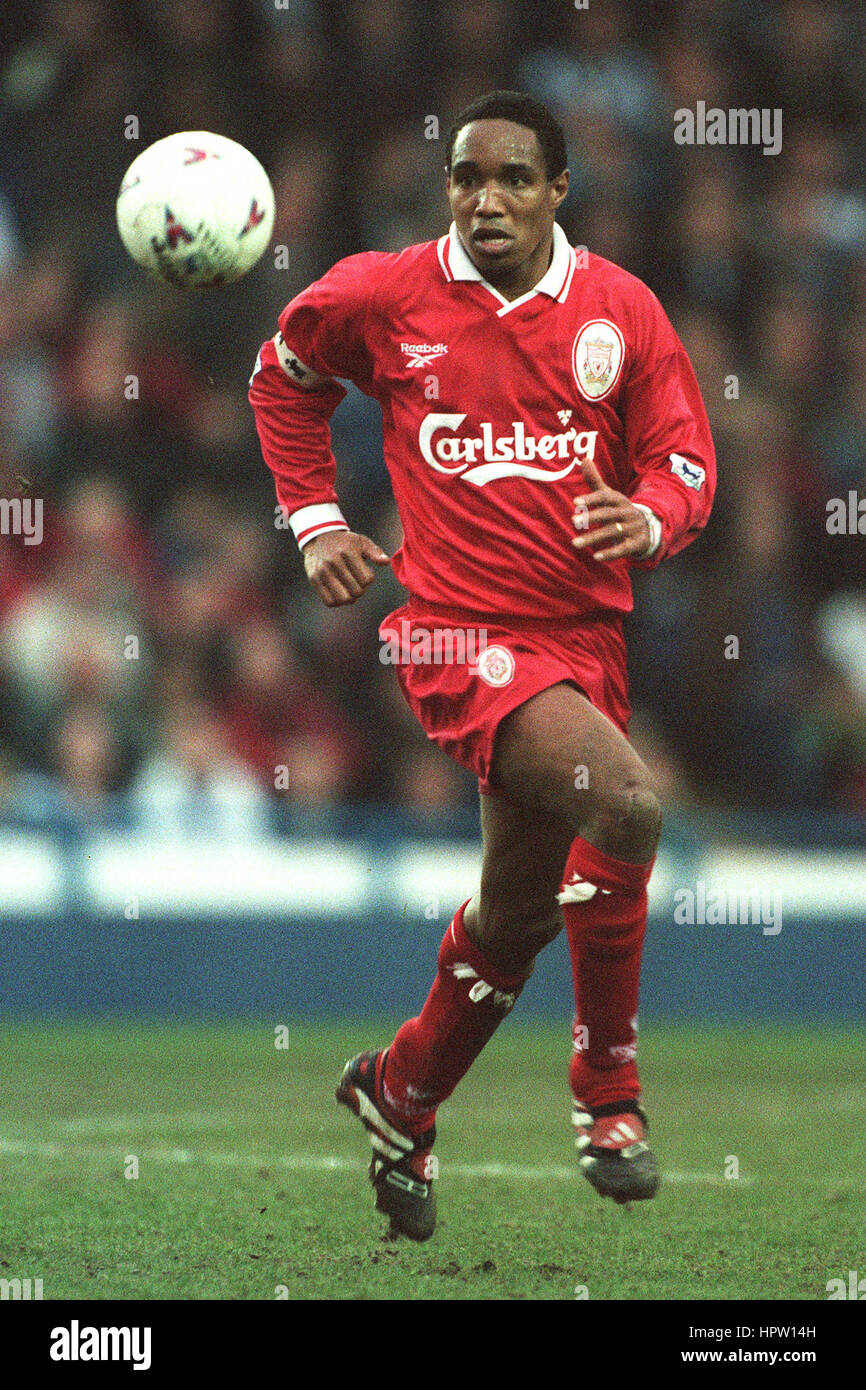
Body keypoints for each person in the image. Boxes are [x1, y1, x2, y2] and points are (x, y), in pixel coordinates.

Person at [249, 91, 715, 1241]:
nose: (484, 198)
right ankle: (607, 1097)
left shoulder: (619, 313)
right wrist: (313, 522)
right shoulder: (382, 293)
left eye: (511, 177)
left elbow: (686, 462)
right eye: (465, 178)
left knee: (514, 915)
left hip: (579, 645)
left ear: (559, 189)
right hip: (454, 634)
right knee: (628, 805)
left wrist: (648, 519)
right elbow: (281, 376)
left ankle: (399, 1091)